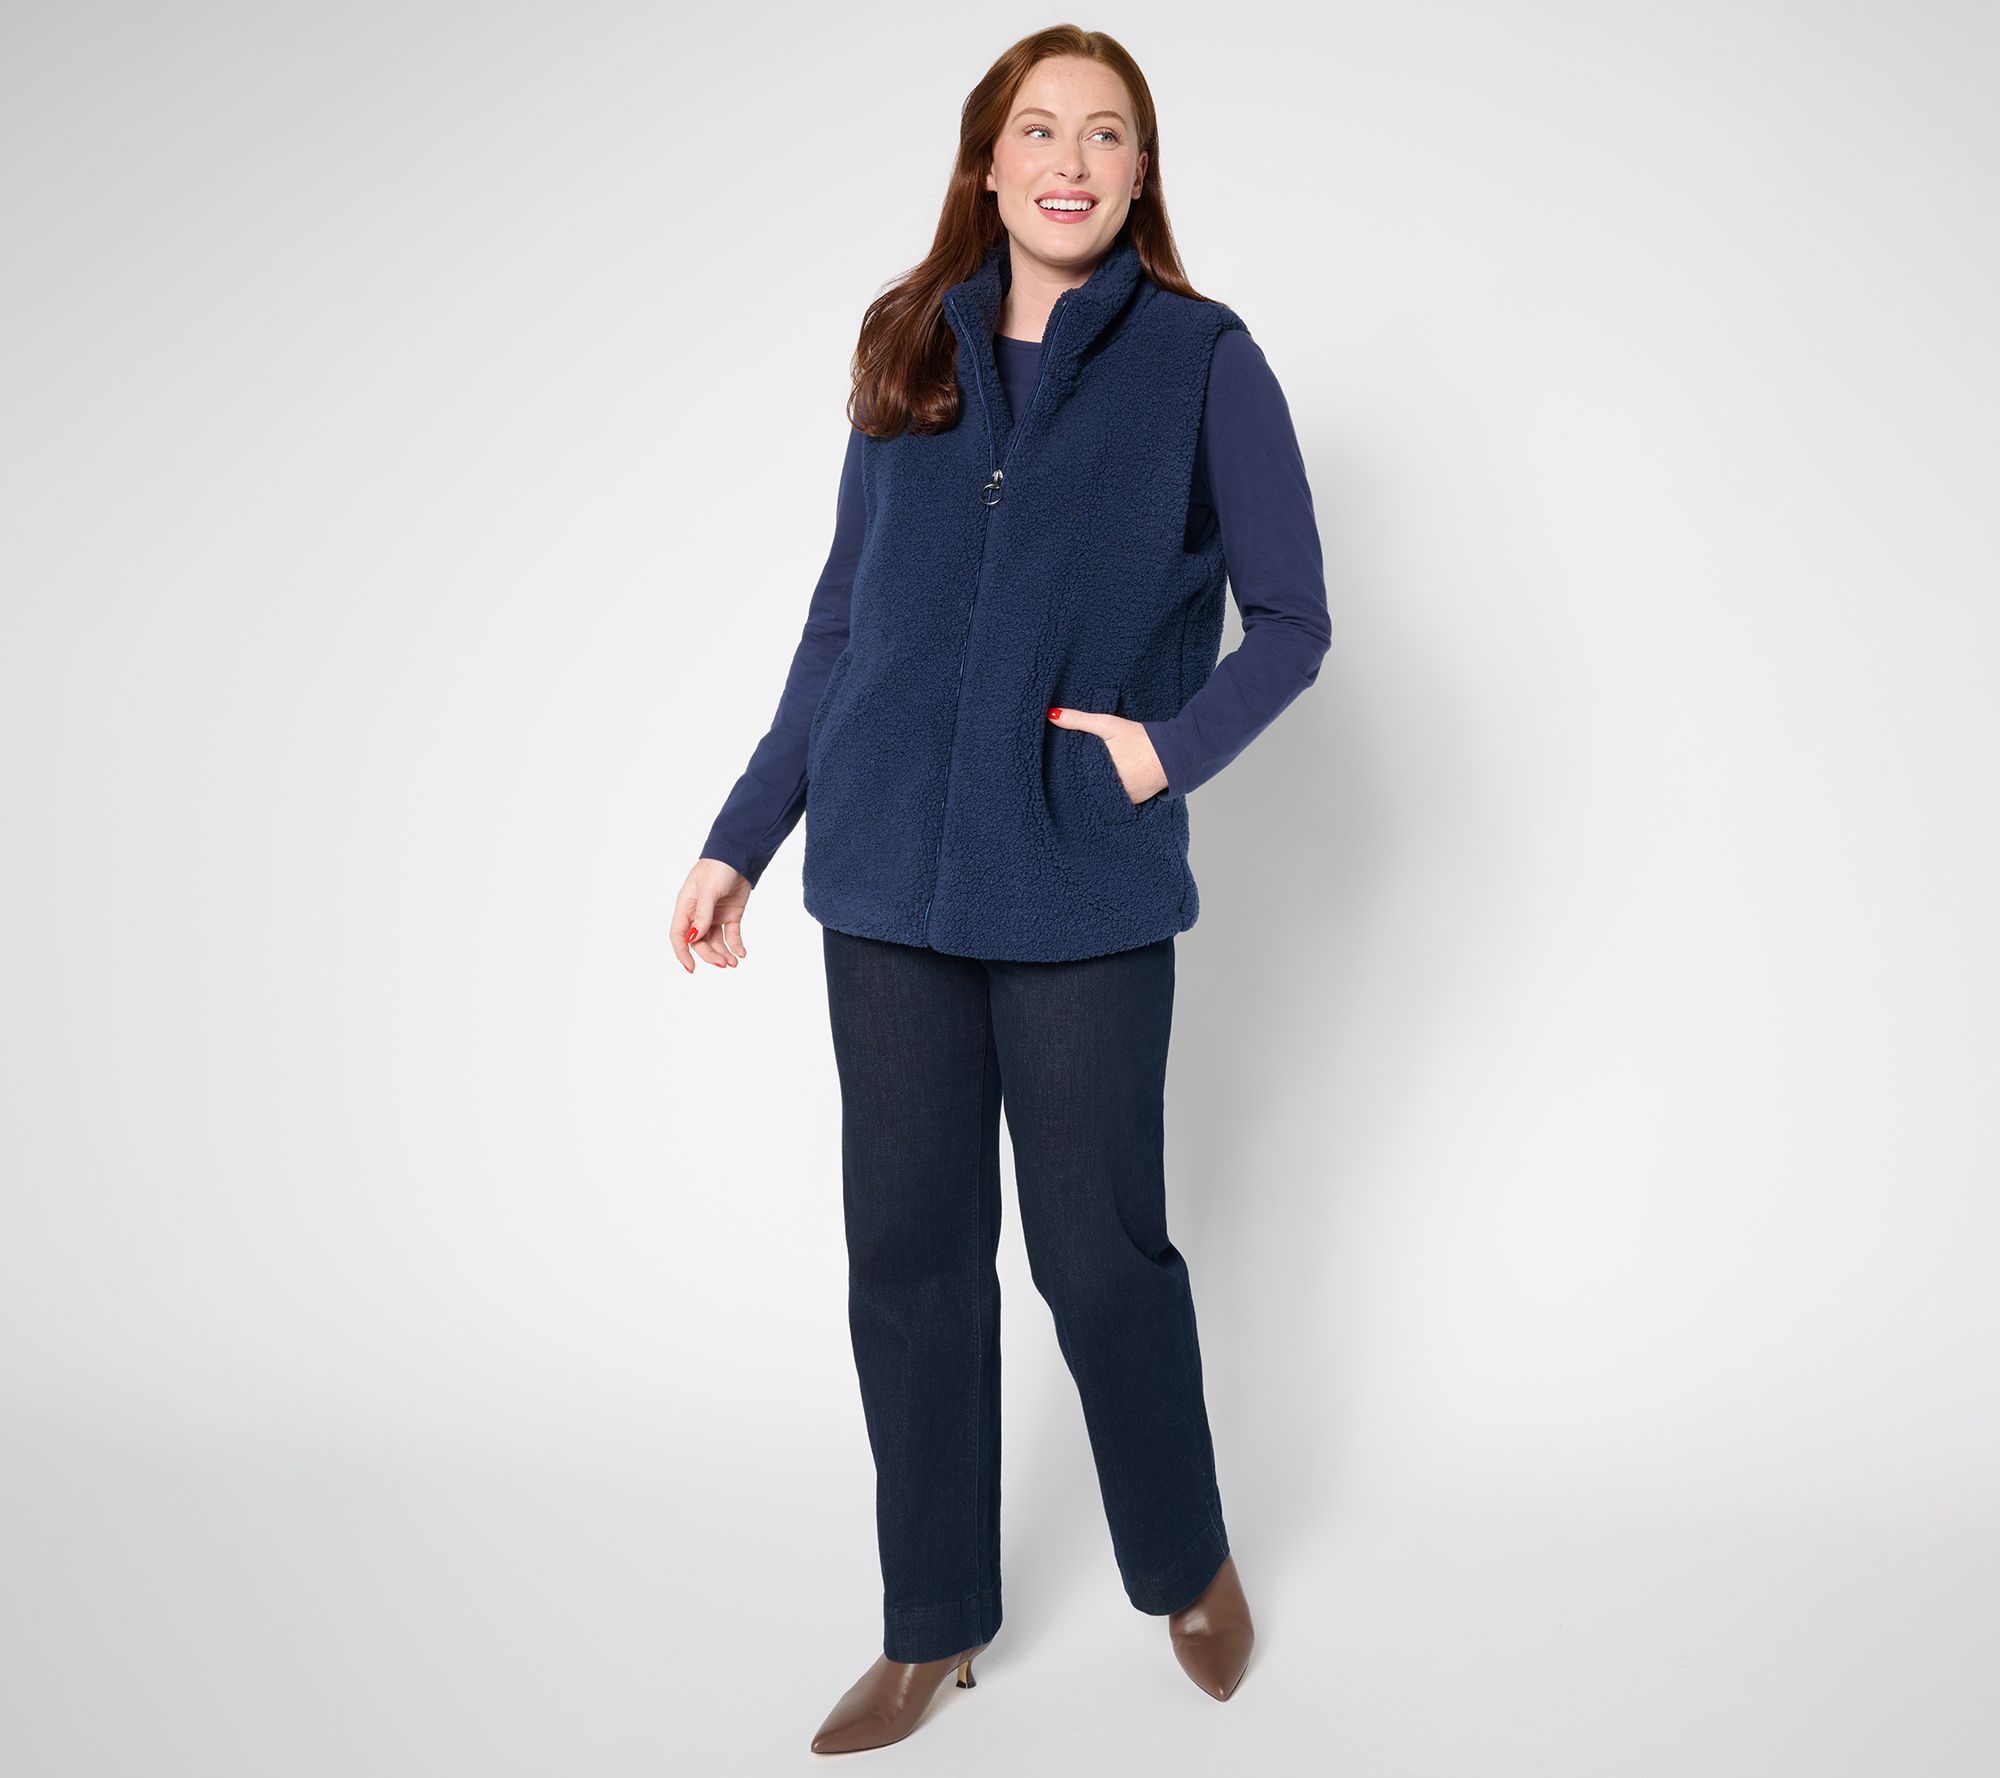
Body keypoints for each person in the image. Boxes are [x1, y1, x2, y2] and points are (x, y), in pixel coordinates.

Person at [674, 25, 1330, 1754]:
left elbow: (1293, 624)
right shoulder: (910, 342)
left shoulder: (1204, 362)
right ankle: (932, 1621)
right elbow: (844, 619)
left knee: (1098, 1255)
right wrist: (745, 832)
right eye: (1039, 129)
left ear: (1140, 172)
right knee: (906, 1259)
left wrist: (1161, 755)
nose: (1070, 160)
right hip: (882, 878)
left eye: (1106, 134)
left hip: (1080, 882)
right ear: (987, 160)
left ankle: (1183, 1558)